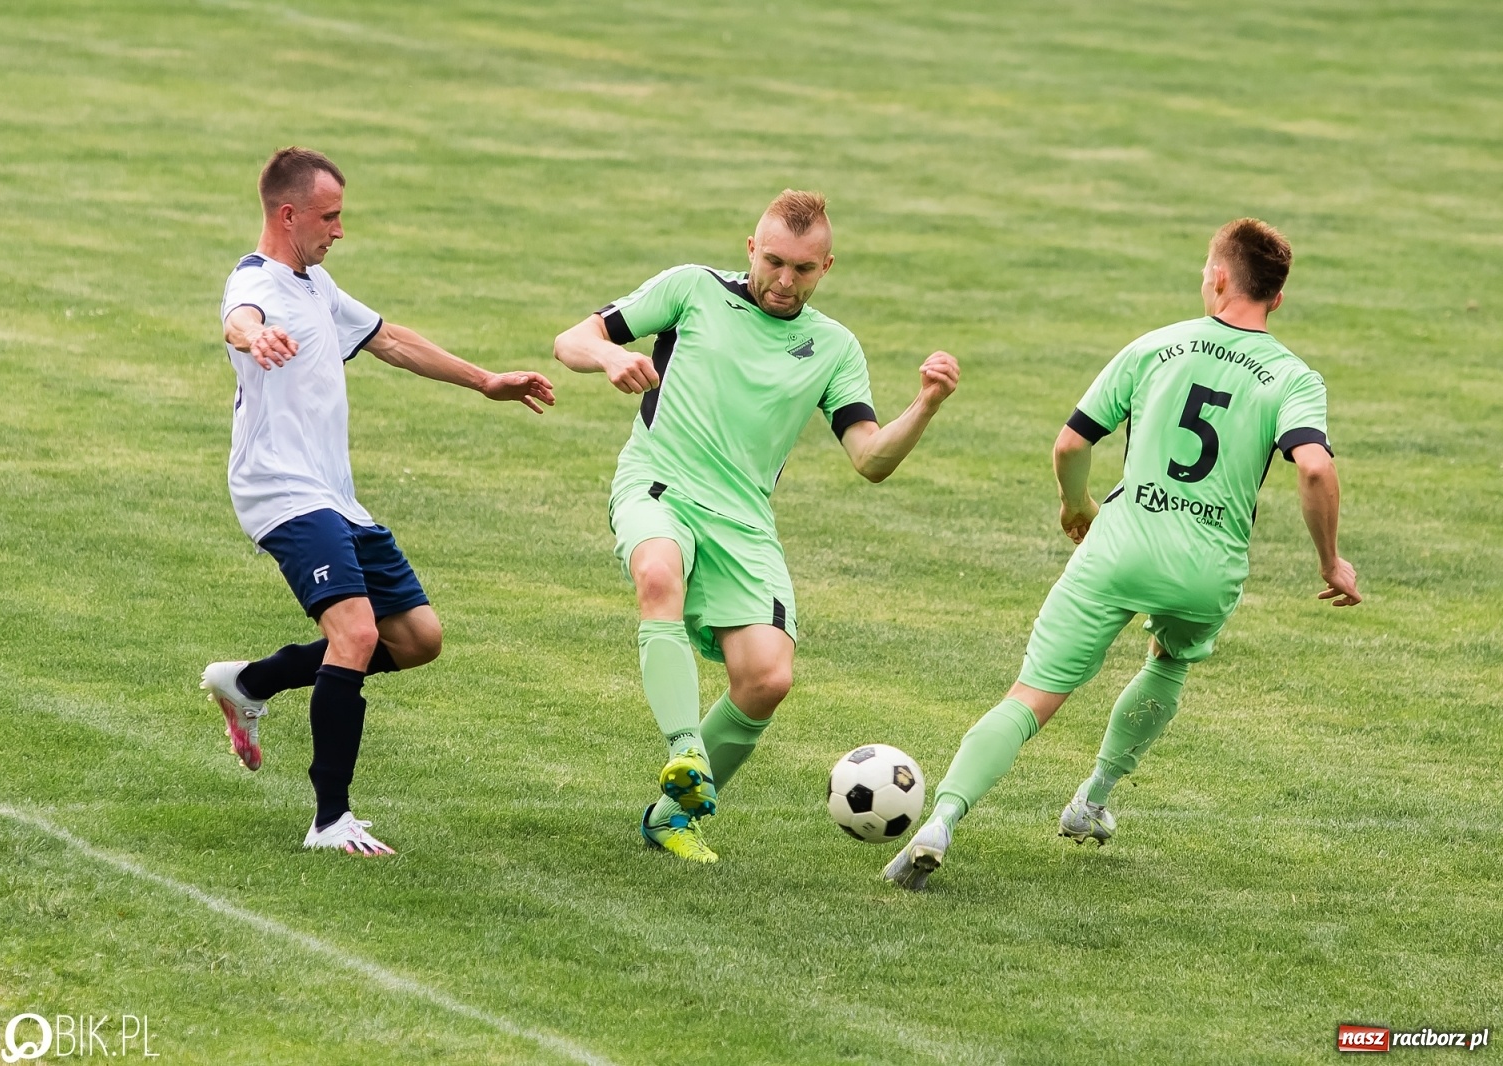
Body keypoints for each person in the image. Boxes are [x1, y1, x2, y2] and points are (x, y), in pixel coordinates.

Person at [884, 218, 1362, 890]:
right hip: (1207, 570)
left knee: (1031, 697)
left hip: (1119, 548)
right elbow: (1314, 468)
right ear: (1276, 300)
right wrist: (1330, 561)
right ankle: (1093, 800)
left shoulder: (1156, 348)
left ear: (1220, 278)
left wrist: (1076, 506)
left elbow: (1071, 445)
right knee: (1169, 659)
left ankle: (943, 819)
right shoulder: (1293, 377)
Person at [554, 190, 959, 864]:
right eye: (773, 261)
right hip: (661, 485)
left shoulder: (832, 346)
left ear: (826, 267)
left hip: (743, 520)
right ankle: (686, 751)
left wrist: (924, 405)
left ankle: (669, 818)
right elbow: (573, 339)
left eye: (803, 269)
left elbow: (869, 459)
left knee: (767, 679)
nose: (784, 280)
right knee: (658, 572)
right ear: (751, 249)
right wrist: (608, 358)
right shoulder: (692, 291)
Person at [203, 147, 555, 856]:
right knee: (357, 635)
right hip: (281, 488)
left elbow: (390, 340)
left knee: (417, 639)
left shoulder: (317, 286)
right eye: (329, 217)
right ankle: (330, 820)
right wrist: (253, 334)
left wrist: (485, 381)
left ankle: (250, 681)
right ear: (289, 213)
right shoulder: (257, 285)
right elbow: (238, 318)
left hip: (335, 496)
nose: (338, 230)